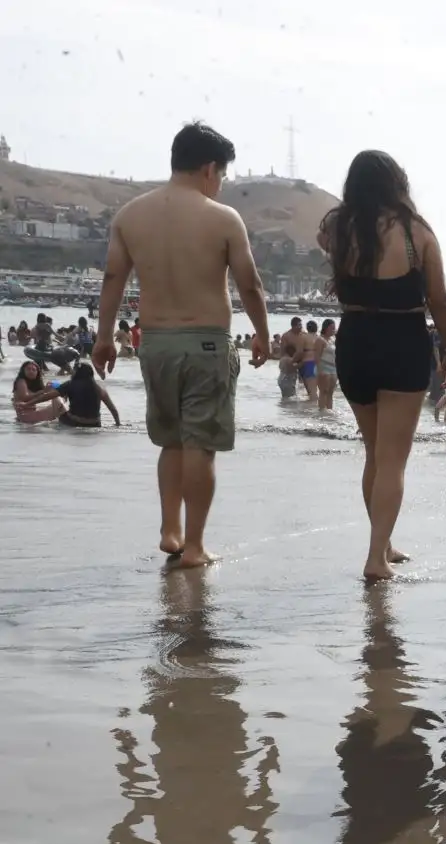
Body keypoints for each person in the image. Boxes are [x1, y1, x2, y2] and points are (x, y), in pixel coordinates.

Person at [94, 122, 270, 568]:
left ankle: (169, 529)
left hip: (154, 343)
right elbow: (249, 285)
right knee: (200, 445)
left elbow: (114, 278)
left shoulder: (130, 215)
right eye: (223, 176)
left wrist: (104, 336)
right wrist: (264, 334)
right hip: (206, 342)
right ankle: (194, 547)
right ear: (210, 168)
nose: (221, 185)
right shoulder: (223, 218)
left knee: (171, 441)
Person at [320, 149, 446, 582]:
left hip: (355, 339)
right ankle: (376, 557)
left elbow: (330, 247)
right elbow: (439, 299)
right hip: (402, 340)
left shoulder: (336, 227)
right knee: (394, 460)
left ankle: (384, 543)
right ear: (397, 183)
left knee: (375, 453)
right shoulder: (417, 233)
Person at [56, 362, 121, 428]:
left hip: (74, 422)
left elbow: (60, 400)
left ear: (76, 373)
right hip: (95, 424)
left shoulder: (70, 385)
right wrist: (118, 424)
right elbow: (113, 410)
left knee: (58, 403)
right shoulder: (99, 388)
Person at [276, 316, 304, 400]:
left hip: (299, 363)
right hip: (290, 362)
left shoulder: (302, 334)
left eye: (301, 325)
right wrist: (292, 361)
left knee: (298, 388)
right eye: (299, 325)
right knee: (288, 393)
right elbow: (283, 351)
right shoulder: (286, 336)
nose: (301, 327)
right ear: (293, 326)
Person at [297, 319, 324, 402]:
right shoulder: (320, 338)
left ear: (307, 328)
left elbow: (299, 352)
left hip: (307, 363)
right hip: (320, 365)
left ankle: (312, 411)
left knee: (312, 392)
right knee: (317, 391)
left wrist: (293, 362)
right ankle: (318, 409)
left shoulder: (303, 337)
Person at [317, 317, 339, 406]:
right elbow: (317, 357)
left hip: (333, 368)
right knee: (324, 391)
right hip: (323, 367)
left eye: (334, 328)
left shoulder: (332, 339)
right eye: (332, 328)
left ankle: (329, 413)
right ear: (326, 328)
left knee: (331, 393)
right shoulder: (320, 340)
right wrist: (319, 370)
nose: (334, 330)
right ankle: (321, 411)